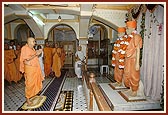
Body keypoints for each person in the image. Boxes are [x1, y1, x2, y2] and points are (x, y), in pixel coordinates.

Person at [20, 37, 44, 106]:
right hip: (30, 69)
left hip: (34, 68)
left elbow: (33, 57)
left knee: (34, 82)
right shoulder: (24, 48)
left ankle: (32, 95)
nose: (35, 43)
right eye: (33, 41)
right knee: (29, 84)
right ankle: (27, 99)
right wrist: (36, 54)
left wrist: (37, 53)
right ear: (29, 42)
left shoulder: (32, 49)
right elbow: (26, 60)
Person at [123, 20, 142, 97]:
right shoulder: (128, 38)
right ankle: (130, 88)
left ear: (133, 28)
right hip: (127, 60)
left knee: (134, 75)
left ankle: (135, 90)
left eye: (127, 28)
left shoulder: (136, 37)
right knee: (127, 74)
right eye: (126, 28)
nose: (126, 30)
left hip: (134, 60)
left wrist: (137, 63)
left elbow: (138, 50)